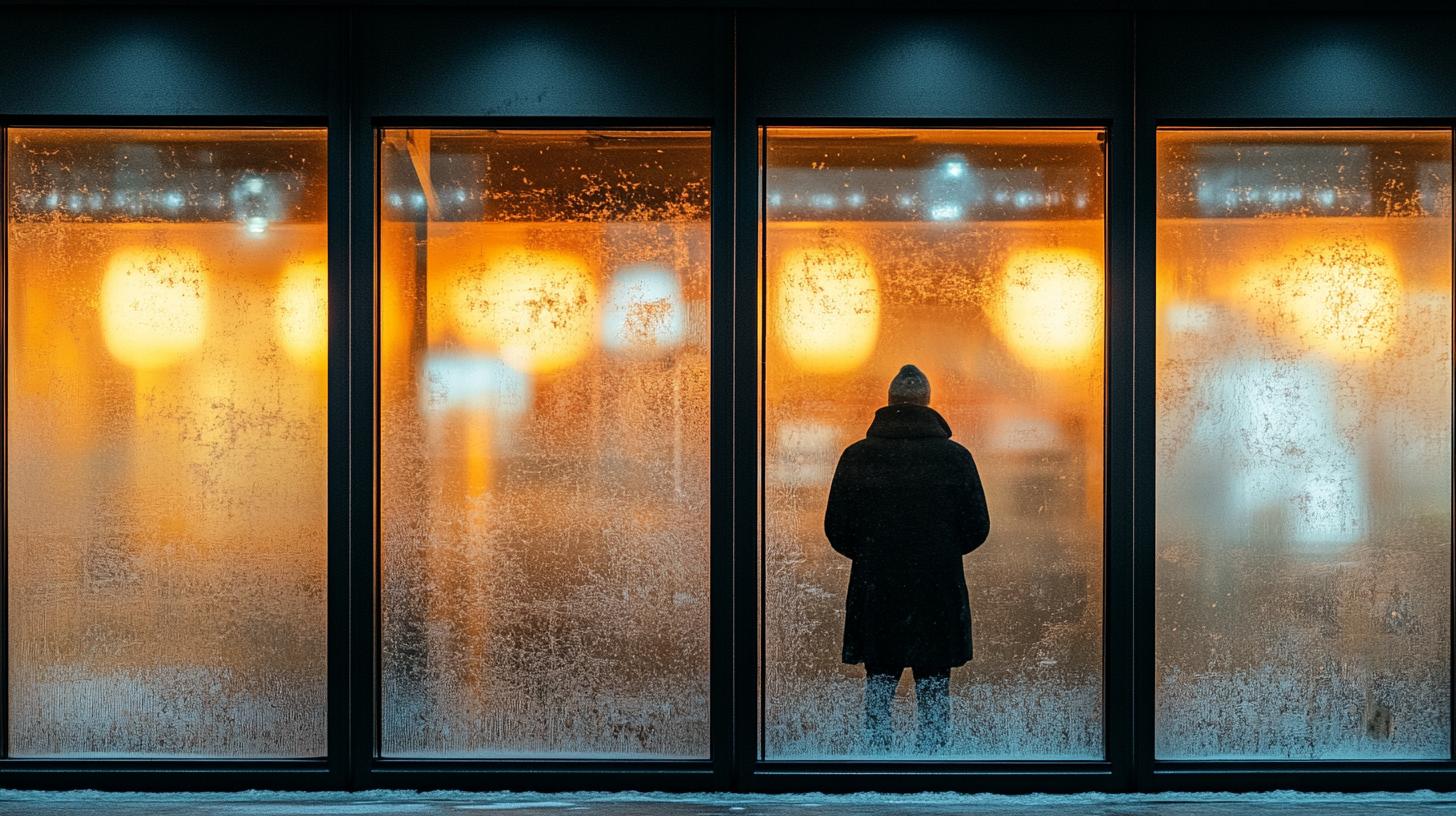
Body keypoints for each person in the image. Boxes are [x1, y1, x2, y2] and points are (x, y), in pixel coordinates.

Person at [823, 364, 991, 753]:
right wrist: (940, 551)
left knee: (879, 681)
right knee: (934, 683)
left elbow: (837, 528)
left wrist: (873, 554)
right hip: (937, 585)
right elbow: (977, 527)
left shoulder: (858, 457)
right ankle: (932, 764)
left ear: (889, 403)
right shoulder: (955, 458)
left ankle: (877, 764)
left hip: (877, 584)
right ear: (927, 404)